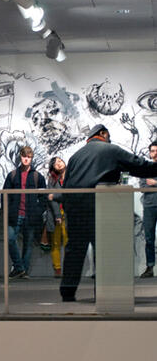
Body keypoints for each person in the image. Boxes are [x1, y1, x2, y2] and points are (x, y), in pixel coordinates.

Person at [61, 124, 157, 302]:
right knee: (103, 250)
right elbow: (139, 165)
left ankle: (67, 292)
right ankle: (103, 294)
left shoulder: (75, 156)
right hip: (99, 205)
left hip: (75, 207)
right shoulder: (110, 150)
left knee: (75, 249)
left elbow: (65, 186)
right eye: (108, 136)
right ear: (102, 134)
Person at [2, 146, 47, 279]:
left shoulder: (37, 176)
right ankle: (20, 268)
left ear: (32, 158)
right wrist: (8, 210)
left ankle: (23, 271)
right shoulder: (12, 175)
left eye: (29, 156)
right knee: (10, 239)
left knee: (28, 244)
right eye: (24, 156)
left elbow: (43, 198)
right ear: (20, 157)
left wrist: (37, 212)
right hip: (14, 215)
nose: (26, 159)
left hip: (31, 216)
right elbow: (5, 195)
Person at [46, 157, 68, 278]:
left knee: (68, 242)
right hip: (55, 214)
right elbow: (50, 198)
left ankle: (69, 268)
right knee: (55, 243)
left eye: (60, 161)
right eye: (55, 163)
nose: (58, 164)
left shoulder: (71, 176)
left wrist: (55, 196)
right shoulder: (51, 180)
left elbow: (68, 194)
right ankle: (57, 269)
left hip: (69, 212)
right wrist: (57, 215)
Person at [140, 141, 157, 278]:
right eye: (152, 151)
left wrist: (155, 183)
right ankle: (150, 267)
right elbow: (142, 186)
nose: (154, 154)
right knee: (149, 238)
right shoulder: (145, 168)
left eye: (156, 151)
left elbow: (149, 184)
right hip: (149, 206)